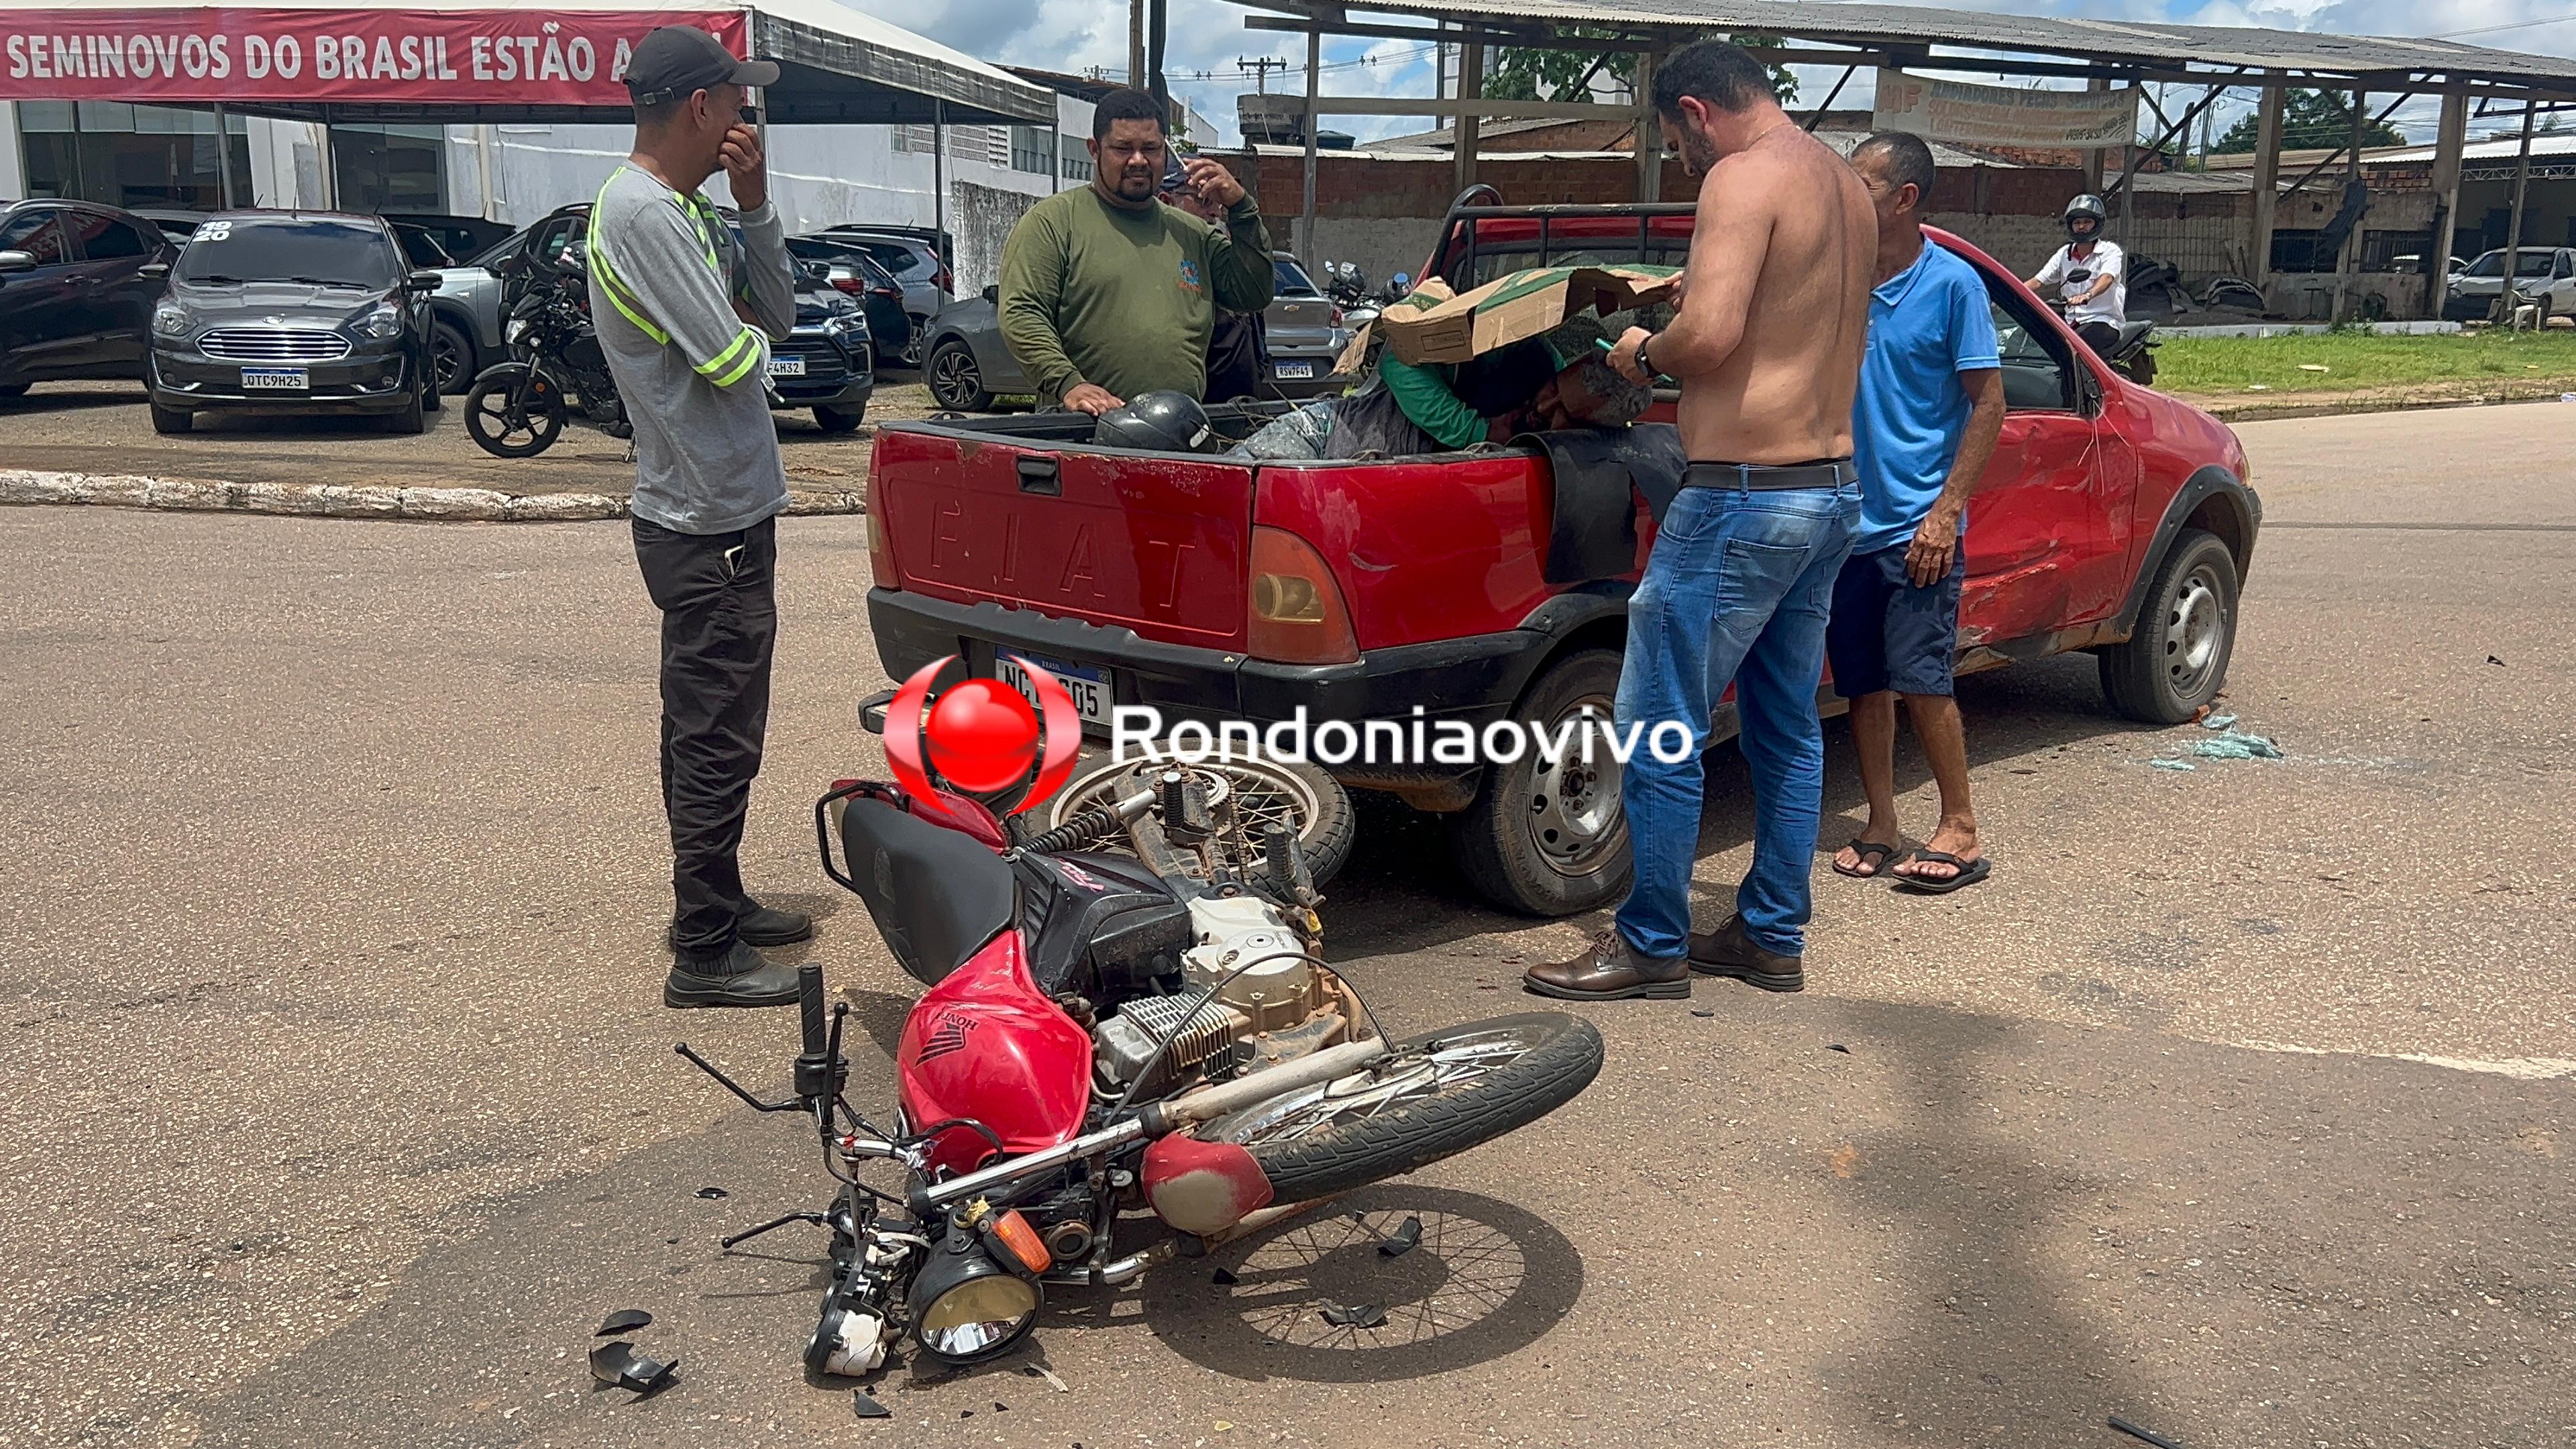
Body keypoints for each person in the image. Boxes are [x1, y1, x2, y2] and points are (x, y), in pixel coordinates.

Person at [1523, 40, 1872, 1003]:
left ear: (1695, 110)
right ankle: (1771, 935)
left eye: (1672, 134)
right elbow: (1794, 319)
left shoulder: (1739, 177)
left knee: (1660, 726)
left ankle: (1649, 944)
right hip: (1829, 486)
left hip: (1742, 497)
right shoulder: (1842, 182)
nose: (1678, 153)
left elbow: (1710, 342)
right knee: (1787, 726)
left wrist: (1640, 348)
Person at [588, 25, 810, 1010]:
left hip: (722, 509)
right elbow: (736, 359)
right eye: (736, 100)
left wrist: (754, 206)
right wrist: (765, 352)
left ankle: (717, 895)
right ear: (698, 109)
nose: (745, 116)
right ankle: (705, 948)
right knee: (716, 733)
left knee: (718, 721)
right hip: (701, 521)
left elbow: (780, 314)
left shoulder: (686, 210)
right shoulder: (643, 215)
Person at [1828, 133, 2004, 894]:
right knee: (1863, 684)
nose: (1846, 197)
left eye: (1860, 185)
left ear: (1904, 198)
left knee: (1924, 678)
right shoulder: (1840, 279)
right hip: (1845, 528)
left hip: (1917, 530)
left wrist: (1947, 512)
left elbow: (1988, 403)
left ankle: (1959, 823)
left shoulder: (1953, 285)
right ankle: (1880, 820)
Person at [998, 89, 1275, 414]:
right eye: (1123, 148)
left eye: (1151, 149)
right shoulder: (1054, 223)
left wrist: (1241, 207)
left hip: (1179, 436)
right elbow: (1022, 313)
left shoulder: (1193, 233)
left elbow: (1253, 292)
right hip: (1081, 434)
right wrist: (1067, 383)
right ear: (1094, 149)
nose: (1139, 160)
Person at [1231, 301, 1650, 460]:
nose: (1544, 407)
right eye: (1553, 391)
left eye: (1563, 413)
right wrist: (1476, 428)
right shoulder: (1529, 354)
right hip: (1325, 435)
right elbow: (1399, 357)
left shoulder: (1562, 462)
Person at [1161, 152, 1270, 404]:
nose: (1216, 213)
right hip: (1195, 412)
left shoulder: (1225, 255)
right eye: (1205, 201)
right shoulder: (1162, 262)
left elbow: (1253, 317)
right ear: (1167, 201)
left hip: (1241, 408)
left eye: (1219, 204)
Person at [2026, 194, 2124, 359]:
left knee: (2069, 351)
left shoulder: (2110, 251)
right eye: (2077, 222)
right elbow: (2039, 280)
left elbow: (2107, 278)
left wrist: (2087, 295)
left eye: (2087, 222)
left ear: (2097, 224)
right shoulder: (2064, 254)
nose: (2081, 227)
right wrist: (2010, 291)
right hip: (2071, 321)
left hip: (2103, 321)